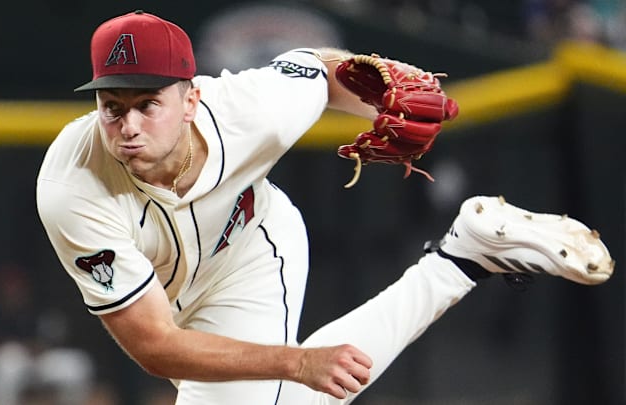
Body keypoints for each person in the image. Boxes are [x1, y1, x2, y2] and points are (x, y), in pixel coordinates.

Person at [35, 10, 614, 404]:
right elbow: (156, 346)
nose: (128, 125)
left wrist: (371, 87)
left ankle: (459, 261)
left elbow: (313, 65)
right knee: (297, 390)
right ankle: (462, 259)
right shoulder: (73, 185)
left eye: (147, 103)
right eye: (113, 106)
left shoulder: (250, 110)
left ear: (191, 99)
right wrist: (295, 362)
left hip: (248, 252)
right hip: (167, 298)